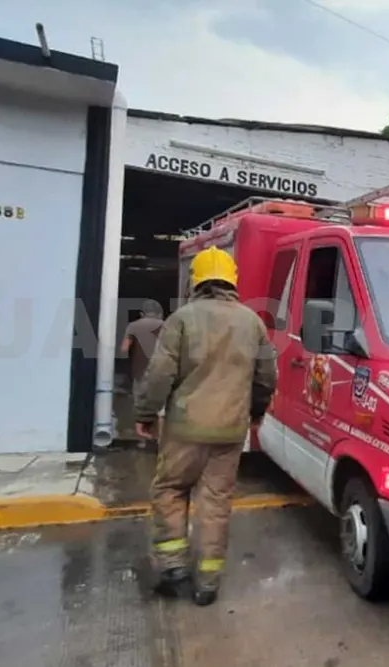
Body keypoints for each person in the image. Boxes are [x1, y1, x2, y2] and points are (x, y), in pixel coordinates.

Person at [133, 246, 277, 605]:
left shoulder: (181, 319)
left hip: (184, 429)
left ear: (195, 280)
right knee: (215, 504)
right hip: (230, 431)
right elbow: (266, 378)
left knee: (170, 490)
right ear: (232, 280)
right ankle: (208, 582)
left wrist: (145, 415)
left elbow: (159, 374)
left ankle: (174, 566)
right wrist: (256, 413)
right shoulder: (252, 322)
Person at [121, 299, 166, 446]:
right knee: (160, 404)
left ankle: (142, 439)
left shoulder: (133, 326)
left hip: (140, 371)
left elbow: (124, 350)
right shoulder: (166, 326)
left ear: (142, 313)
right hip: (162, 371)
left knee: (141, 403)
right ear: (159, 313)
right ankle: (159, 440)